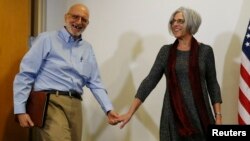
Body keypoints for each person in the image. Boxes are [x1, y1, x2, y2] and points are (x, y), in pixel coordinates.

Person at [13, 3, 119, 141]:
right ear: (66, 17)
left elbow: (95, 82)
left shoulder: (87, 49)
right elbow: (26, 74)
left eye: (84, 20)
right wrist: (20, 110)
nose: (79, 22)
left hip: (76, 104)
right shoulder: (46, 39)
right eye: (75, 17)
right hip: (51, 102)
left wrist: (109, 110)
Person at [118, 7, 222, 141]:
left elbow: (213, 85)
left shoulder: (205, 52)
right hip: (173, 117)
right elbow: (149, 82)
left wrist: (218, 117)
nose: (175, 24)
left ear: (191, 24)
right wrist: (130, 113)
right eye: (173, 22)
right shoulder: (165, 52)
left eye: (180, 21)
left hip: (200, 116)